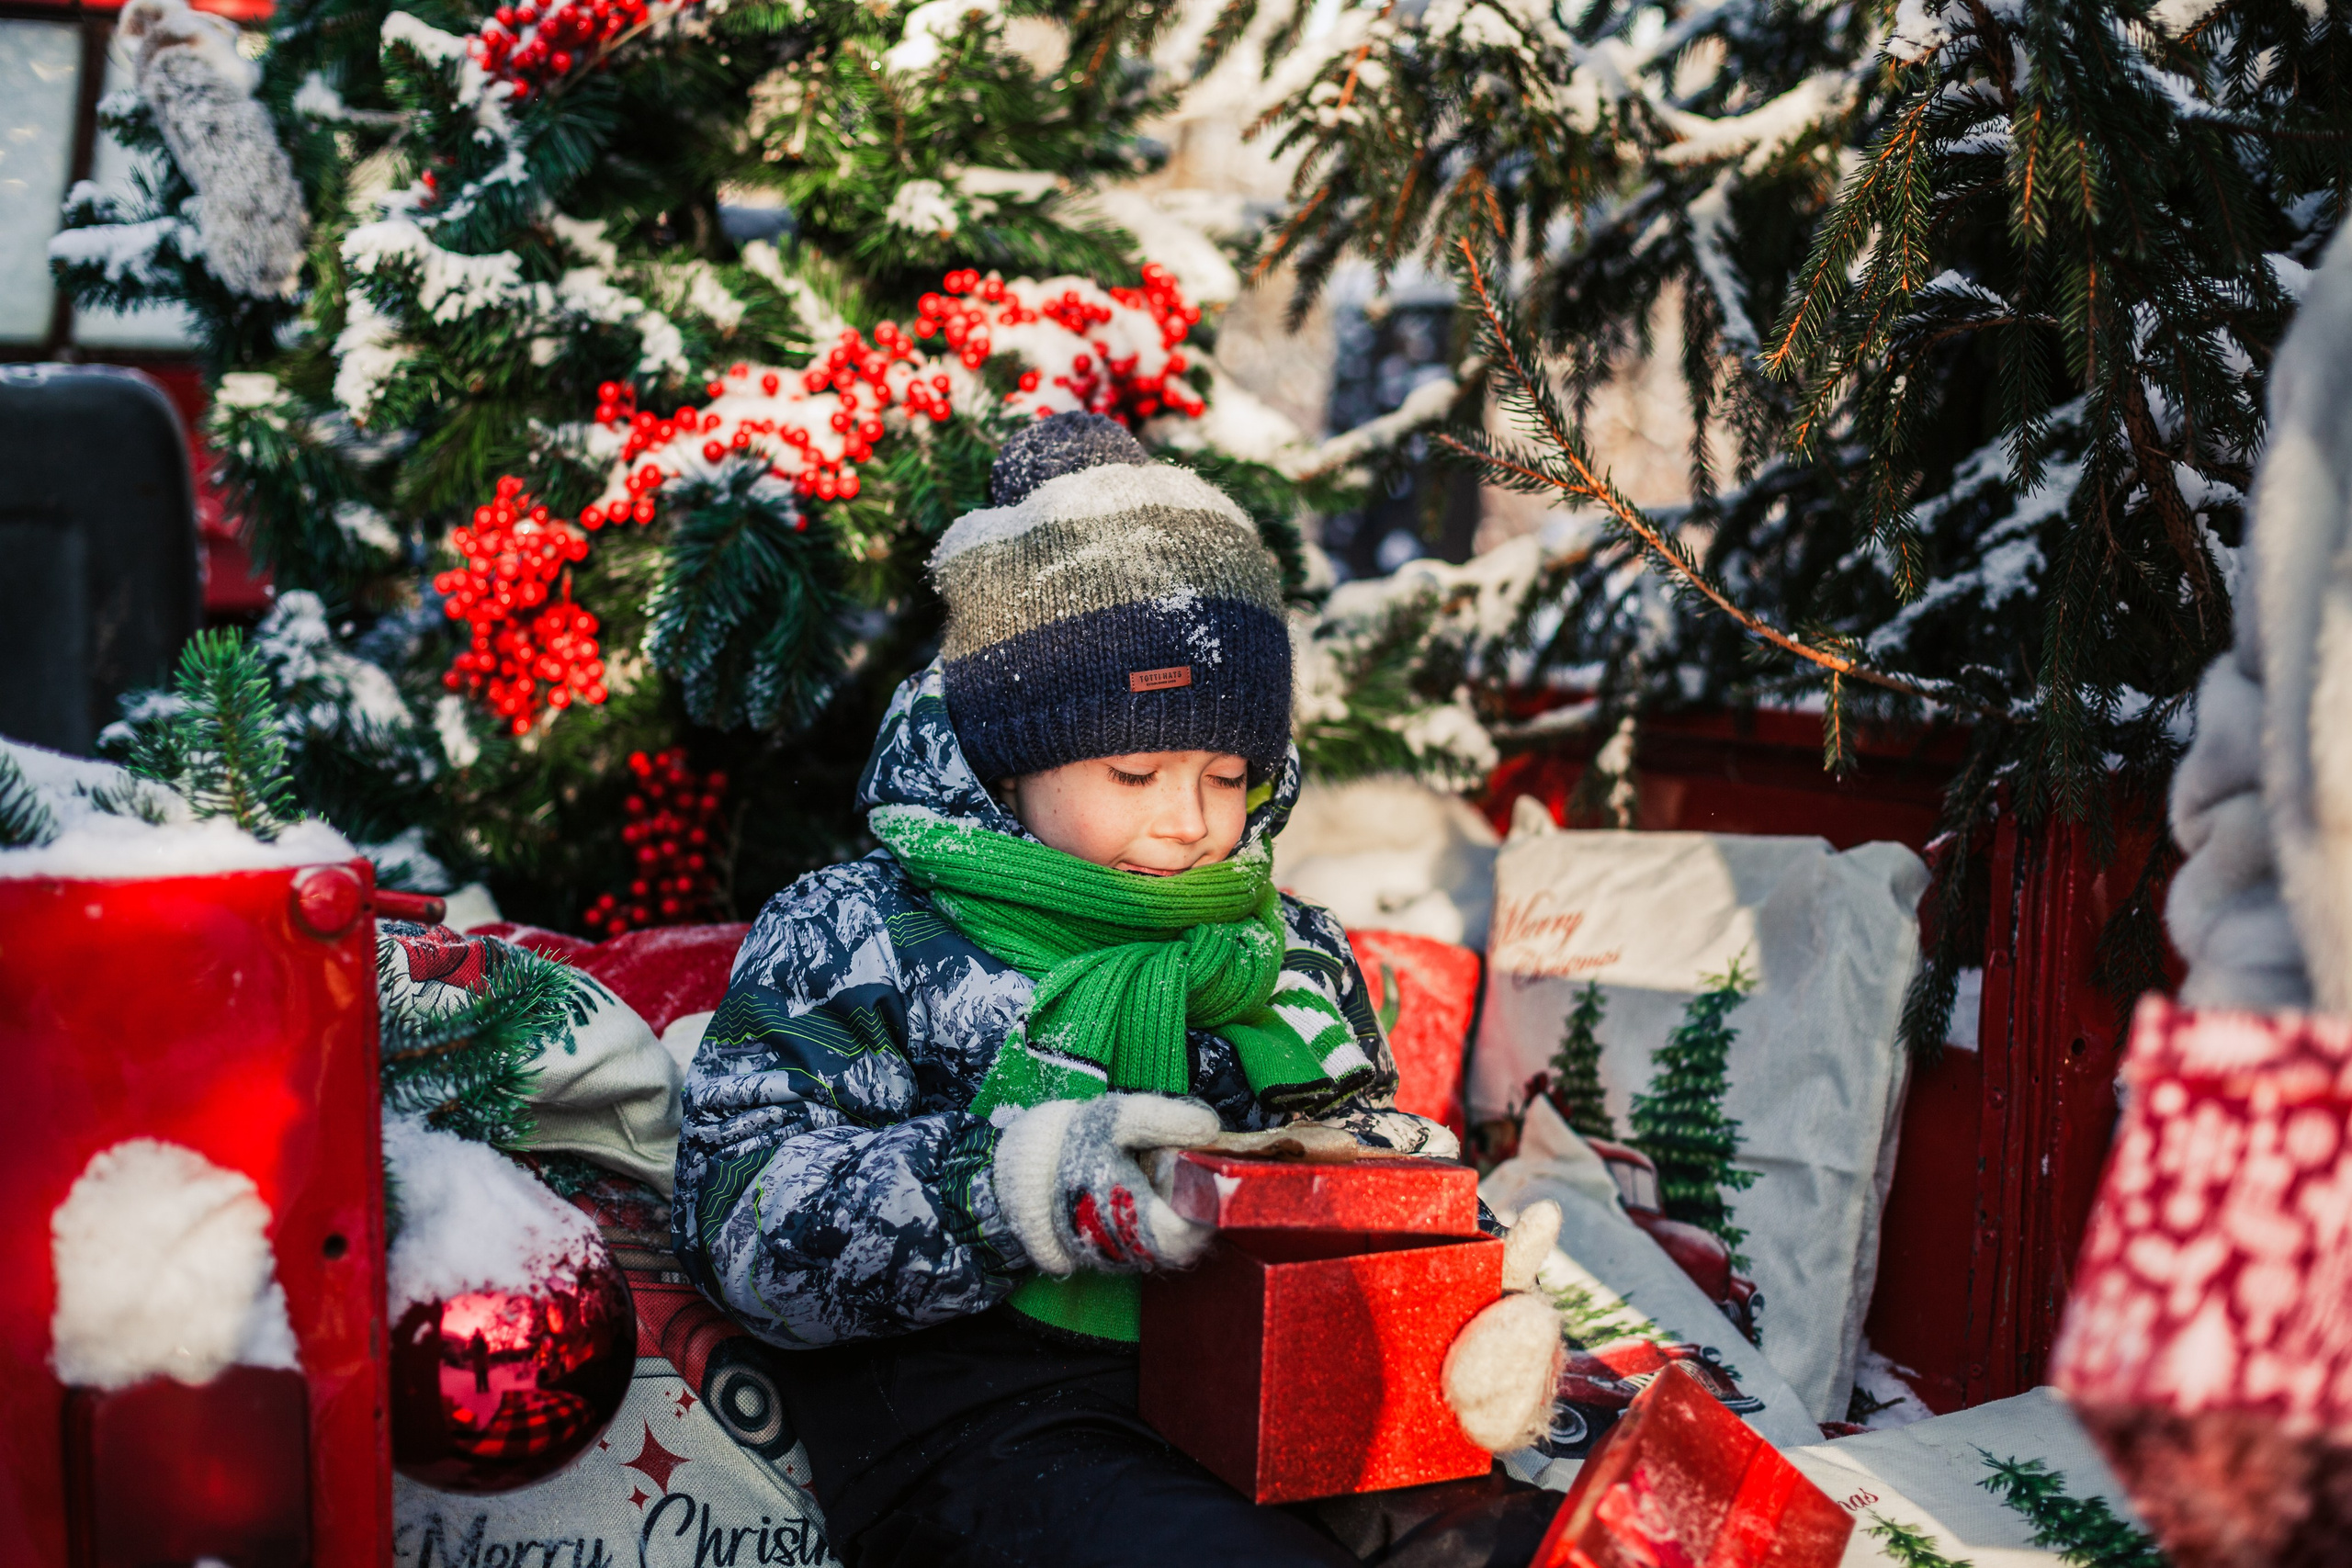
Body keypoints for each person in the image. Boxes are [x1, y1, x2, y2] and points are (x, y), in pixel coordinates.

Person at [673, 413, 1557, 1566]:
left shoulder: (1281, 949)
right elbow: (745, 1228)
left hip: (1276, 1396)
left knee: (1526, 1543)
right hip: (986, 1425)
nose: (1186, 820)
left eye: (1228, 774)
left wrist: (1459, 1265)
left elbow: (1343, 1158)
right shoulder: (859, 932)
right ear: (1010, 759)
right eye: (1133, 771)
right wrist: (1018, 1187)